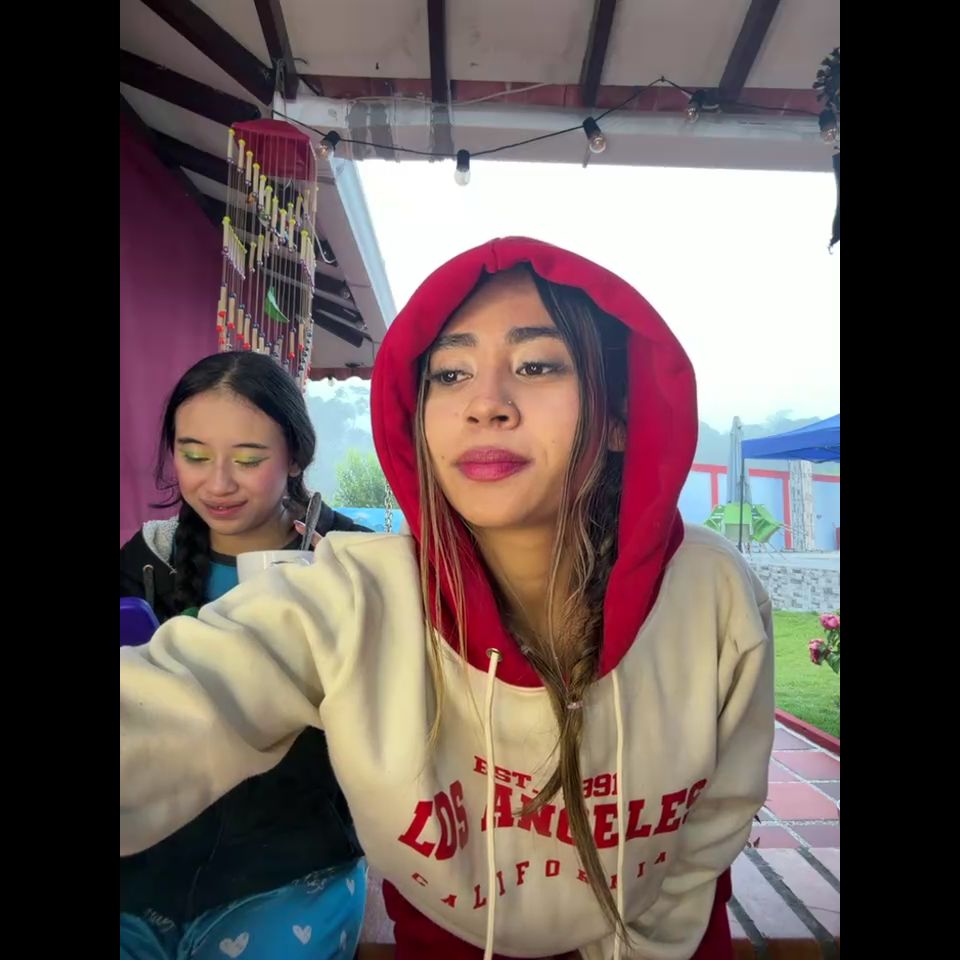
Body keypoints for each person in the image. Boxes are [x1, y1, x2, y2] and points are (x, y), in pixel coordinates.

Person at [121, 239, 774, 960]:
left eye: (536, 365)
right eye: (451, 374)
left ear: (619, 416)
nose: (485, 404)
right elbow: (170, 705)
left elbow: (713, 826)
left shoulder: (710, 592)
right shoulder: (352, 595)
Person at [120, 351, 370, 960]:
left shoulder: (356, 562)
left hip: (294, 865)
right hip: (144, 862)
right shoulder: (147, 559)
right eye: (194, 455)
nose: (218, 483)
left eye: (249, 459)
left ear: (296, 456)